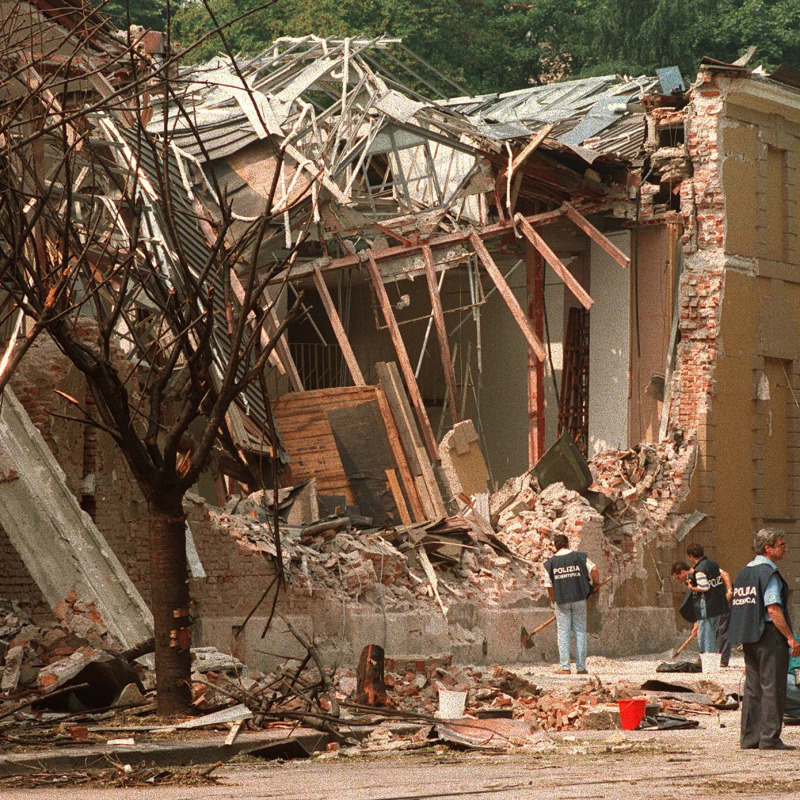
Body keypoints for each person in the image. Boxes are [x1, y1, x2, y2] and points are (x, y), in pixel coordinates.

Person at [729, 528, 800, 750]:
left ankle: (750, 738)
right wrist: (790, 637)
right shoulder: (769, 574)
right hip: (769, 637)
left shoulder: (743, 572)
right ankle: (770, 738)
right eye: (781, 545)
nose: (785, 548)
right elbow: (773, 609)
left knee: (753, 689)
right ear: (768, 549)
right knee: (773, 687)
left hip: (749, 636)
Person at [543, 533, 598, 675]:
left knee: (563, 633)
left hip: (561, 601)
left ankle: (565, 667)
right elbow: (594, 569)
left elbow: (548, 586)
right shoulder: (579, 557)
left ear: (556, 547)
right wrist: (596, 584)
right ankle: (581, 668)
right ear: (568, 544)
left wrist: (554, 602)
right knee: (580, 632)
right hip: (579, 598)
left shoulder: (550, 563)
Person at [685, 543, 729, 656]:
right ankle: (711, 659)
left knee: (705, 635)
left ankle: (708, 660)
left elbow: (704, 587)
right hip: (718, 604)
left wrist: (691, 587)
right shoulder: (713, 564)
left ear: (691, 556)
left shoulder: (699, 569)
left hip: (707, 606)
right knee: (713, 633)